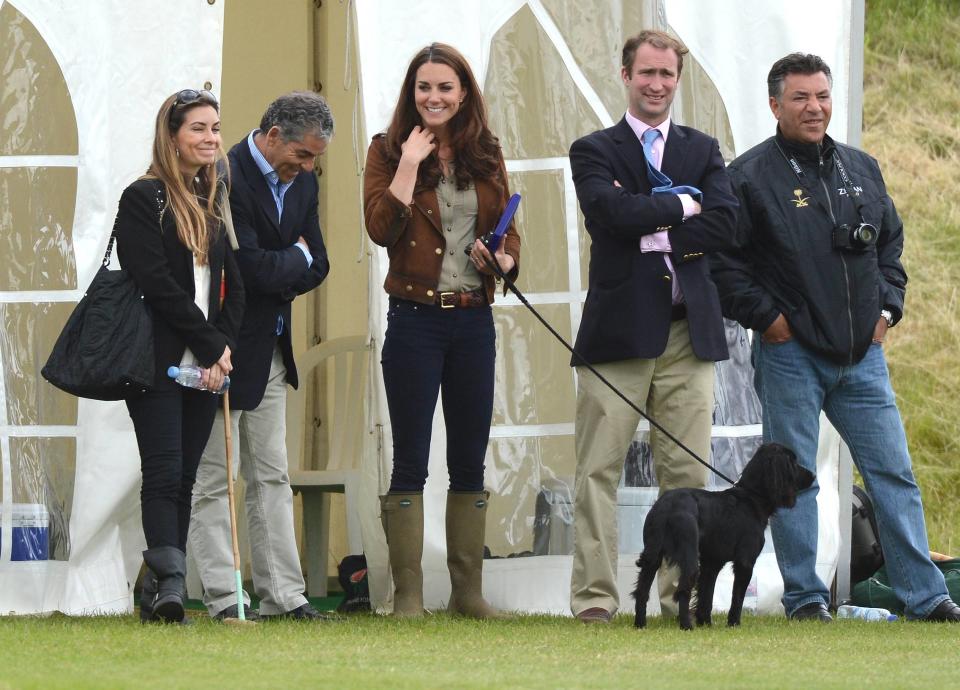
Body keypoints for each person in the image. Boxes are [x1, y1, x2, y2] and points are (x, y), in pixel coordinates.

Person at [711, 52, 960, 623]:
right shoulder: (747, 177)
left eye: (822, 96)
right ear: (775, 105)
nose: (814, 107)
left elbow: (890, 249)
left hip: (862, 358)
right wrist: (766, 318)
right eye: (800, 97)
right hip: (789, 353)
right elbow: (724, 264)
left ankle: (926, 597)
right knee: (792, 479)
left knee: (893, 473)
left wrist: (887, 312)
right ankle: (804, 599)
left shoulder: (861, 168)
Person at [568, 30, 738, 624]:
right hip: (616, 335)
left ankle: (678, 600)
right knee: (596, 472)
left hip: (688, 333)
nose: (657, 84)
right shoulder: (594, 149)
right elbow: (609, 215)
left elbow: (725, 225)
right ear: (625, 74)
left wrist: (652, 225)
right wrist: (682, 205)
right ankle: (595, 599)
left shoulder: (702, 148)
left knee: (686, 477)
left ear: (677, 79)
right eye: (647, 73)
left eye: (667, 75)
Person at [363, 43, 521, 618]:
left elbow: (509, 231)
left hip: (474, 319)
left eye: (445, 88)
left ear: (463, 94)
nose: (434, 98)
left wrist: (502, 261)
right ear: (412, 93)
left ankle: (467, 593)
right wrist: (408, 163)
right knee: (411, 455)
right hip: (414, 320)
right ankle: (408, 594)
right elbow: (381, 229)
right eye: (424, 88)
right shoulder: (385, 150)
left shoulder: (486, 152)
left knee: (469, 456)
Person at [188, 92, 334, 621]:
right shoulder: (223, 176)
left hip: (272, 348)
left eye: (315, 158)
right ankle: (226, 597)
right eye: (303, 155)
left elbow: (320, 265)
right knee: (214, 478)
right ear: (273, 136)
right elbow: (246, 268)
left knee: (271, 476)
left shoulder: (305, 182)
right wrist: (290, 257)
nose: (309, 167)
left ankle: (284, 597)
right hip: (218, 350)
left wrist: (286, 263)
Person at [117, 89, 244, 624]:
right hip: (155, 358)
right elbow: (158, 285)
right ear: (172, 136)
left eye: (215, 128)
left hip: (202, 364)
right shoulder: (143, 199)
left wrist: (223, 349)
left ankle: (158, 586)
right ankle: (171, 584)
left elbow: (233, 284)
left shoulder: (212, 200)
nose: (211, 138)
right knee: (164, 472)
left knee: (186, 477)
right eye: (198, 128)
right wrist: (211, 341)